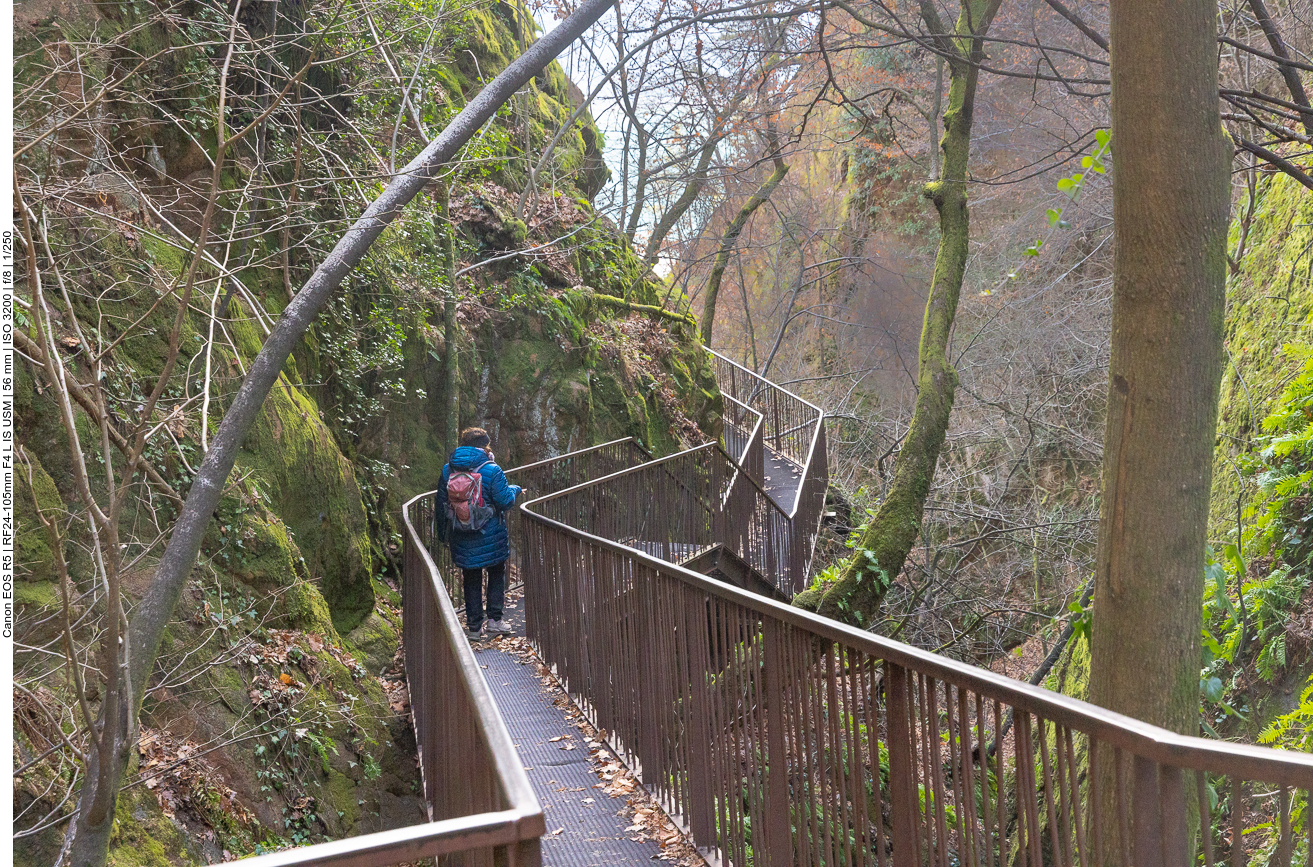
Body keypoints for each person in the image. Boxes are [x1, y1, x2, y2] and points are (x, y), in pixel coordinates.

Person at [439, 427, 521, 637]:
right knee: (496, 574)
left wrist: (442, 534)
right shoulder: (492, 469)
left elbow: (441, 503)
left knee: (471, 577)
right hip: (491, 533)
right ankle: (495, 620)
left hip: (461, 532)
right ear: (485, 445)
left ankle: (474, 628)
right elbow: (504, 501)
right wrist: (516, 489)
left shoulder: (448, 469)